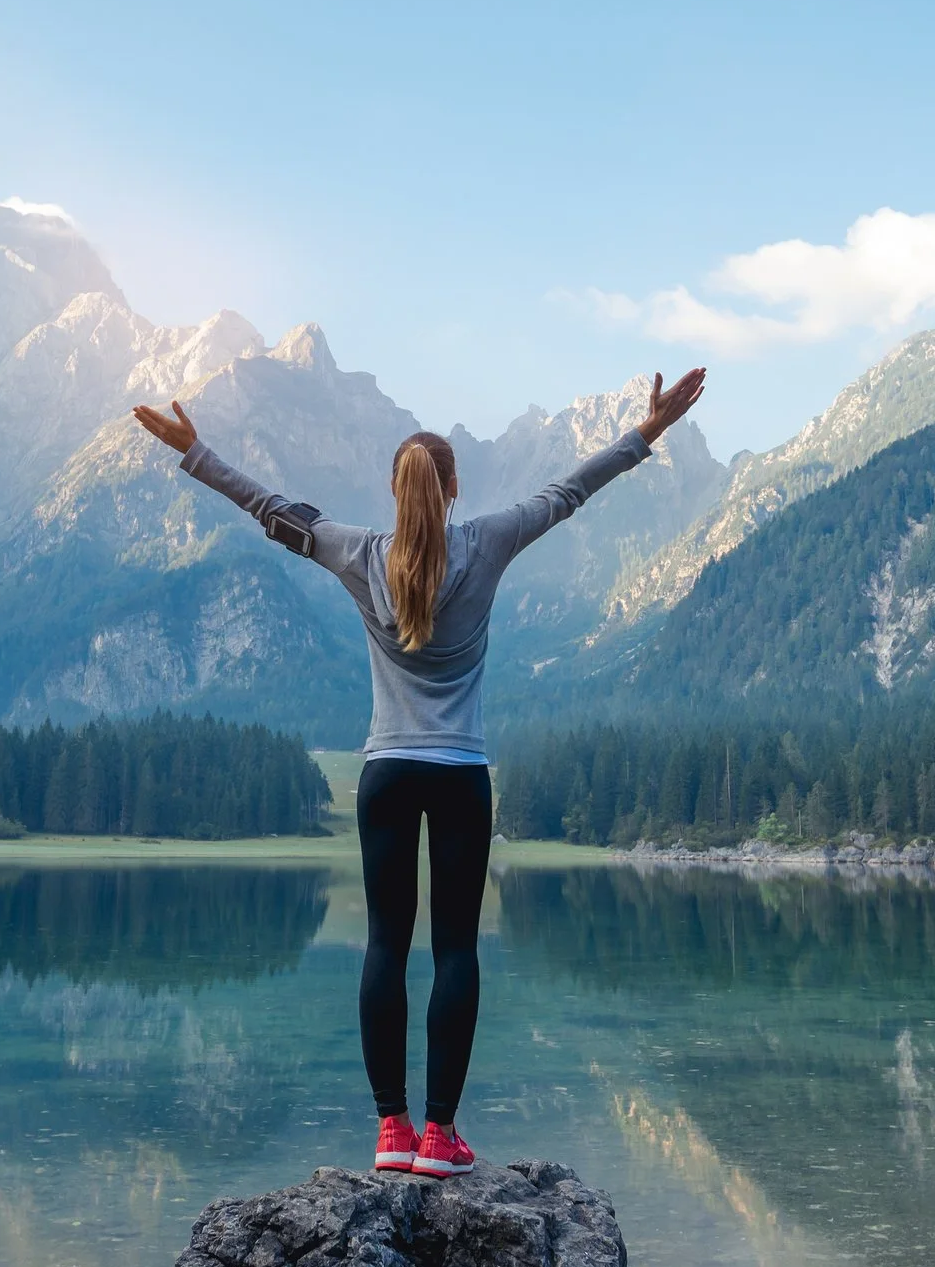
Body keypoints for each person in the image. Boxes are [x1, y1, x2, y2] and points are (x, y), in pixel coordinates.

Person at [132, 366, 706, 1179]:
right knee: (455, 952)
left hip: (386, 775)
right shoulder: (489, 540)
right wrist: (647, 433)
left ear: (398, 491)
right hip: (461, 775)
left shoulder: (358, 553)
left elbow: (270, 510)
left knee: (384, 947)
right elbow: (570, 490)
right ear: (453, 488)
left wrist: (197, 452)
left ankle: (391, 1130)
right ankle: (440, 1136)